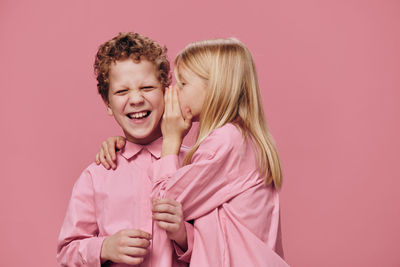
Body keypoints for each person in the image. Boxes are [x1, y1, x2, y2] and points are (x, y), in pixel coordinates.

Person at [97, 38, 289, 266]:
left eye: (184, 84)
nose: (175, 92)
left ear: (215, 88)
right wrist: (128, 147)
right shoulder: (238, 140)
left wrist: (170, 140)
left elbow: (164, 203)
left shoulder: (227, 141)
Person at [57, 32, 193, 267]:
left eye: (147, 87)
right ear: (108, 104)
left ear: (166, 91)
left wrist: (183, 236)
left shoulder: (194, 163)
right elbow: (66, 253)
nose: (136, 99)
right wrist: (104, 247)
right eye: (122, 92)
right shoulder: (97, 175)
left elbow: (220, 245)